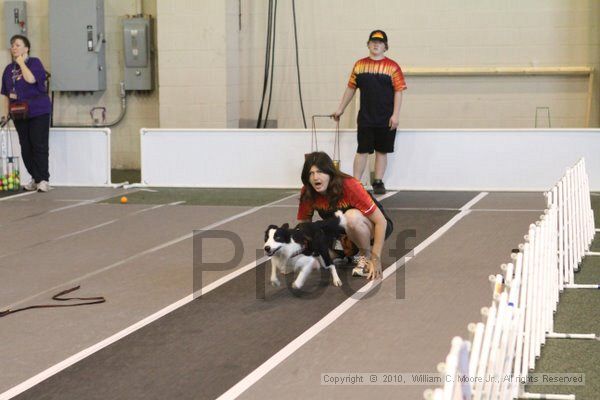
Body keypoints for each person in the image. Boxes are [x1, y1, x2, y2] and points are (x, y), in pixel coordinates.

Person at [297, 152, 394, 280]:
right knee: (314, 262)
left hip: (372, 227)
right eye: (311, 173)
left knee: (351, 217)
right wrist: (295, 250)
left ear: (330, 174)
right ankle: (344, 252)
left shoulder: (349, 185)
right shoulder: (308, 192)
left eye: (320, 172)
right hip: (342, 233)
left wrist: (376, 259)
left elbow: (381, 222)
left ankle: (365, 256)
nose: (316, 177)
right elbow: (305, 226)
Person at [333, 29, 406, 195]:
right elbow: (350, 88)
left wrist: (395, 115)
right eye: (373, 41)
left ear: (385, 46)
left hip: (386, 118)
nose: (376, 44)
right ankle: (356, 183)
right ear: (368, 44)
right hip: (366, 118)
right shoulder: (359, 65)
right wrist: (340, 109)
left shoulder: (393, 67)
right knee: (362, 150)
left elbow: (399, 91)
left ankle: (378, 181)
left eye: (379, 42)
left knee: (382, 150)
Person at [0, 35, 52, 192]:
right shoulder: (8, 69)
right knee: (26, 147)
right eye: (12, 45)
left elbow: (30, 79)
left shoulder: (34, 63)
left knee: (39, 144)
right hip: (19, 113)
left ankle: (43, 179)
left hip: (38, 111)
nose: (14, 48)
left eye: (17, 45)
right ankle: (35, 178)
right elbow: (5, 93)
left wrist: (22, 63)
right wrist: (4, 113)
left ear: (26, 48)